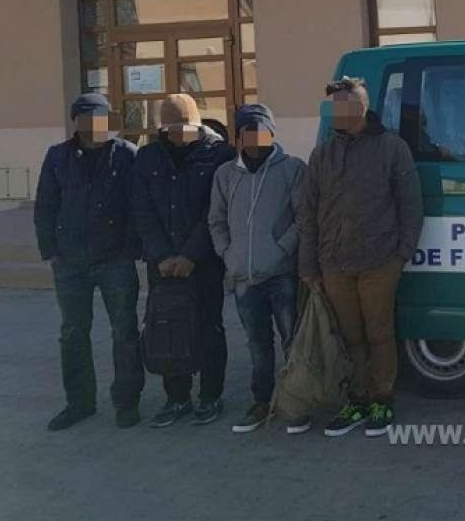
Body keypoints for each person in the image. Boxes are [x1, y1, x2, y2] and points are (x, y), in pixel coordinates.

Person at [298, 77, 424, 437]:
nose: (337, 112)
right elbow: (308, 212)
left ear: (362, 108)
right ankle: (357, 399)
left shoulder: (391, 148)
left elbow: (411, 205)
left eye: (344, 105)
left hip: (379, 261)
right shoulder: (322, 154)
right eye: (333, 106)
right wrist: (308, 265)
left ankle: (382, 399)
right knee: (349, 336)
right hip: (334, 263)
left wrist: (402, 253)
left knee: (379, 334)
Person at [33, 94, 144, 430]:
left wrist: (130, 247)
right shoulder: (58, 156)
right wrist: (51, 251)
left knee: (124, 331)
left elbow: (138, 206)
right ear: (76, 122)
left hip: (115, 260)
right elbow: (45, 205)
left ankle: (127, 401)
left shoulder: (126, 154)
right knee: (72, 332)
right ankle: (79, 402)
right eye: (88, 119)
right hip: (71, 261)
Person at [132, 94, 235, 428]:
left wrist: (191, 254)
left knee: (209, 327)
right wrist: (161, 254)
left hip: (203, 261)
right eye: (172, 129)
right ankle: (177, 397)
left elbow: (215, 210)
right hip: (162, 263)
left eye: (186, 128)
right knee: (168, 327)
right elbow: (142, 209)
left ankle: (211, 395)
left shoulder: (219, 155)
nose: (179, 135)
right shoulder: (147, 158)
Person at [208, 103, 308, 434]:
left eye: (261, 130)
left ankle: (296, 402)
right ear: (239, 136)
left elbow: (303, 217)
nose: (255, 137)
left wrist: (282, 250)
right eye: (248, 131)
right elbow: (216, 220)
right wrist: (228, 253)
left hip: (281, 274)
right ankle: (262, 401)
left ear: (272, 133)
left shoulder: (292, 169)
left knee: (292, 341)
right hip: (243, 277)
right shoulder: (225, 175)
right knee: (257, 343)